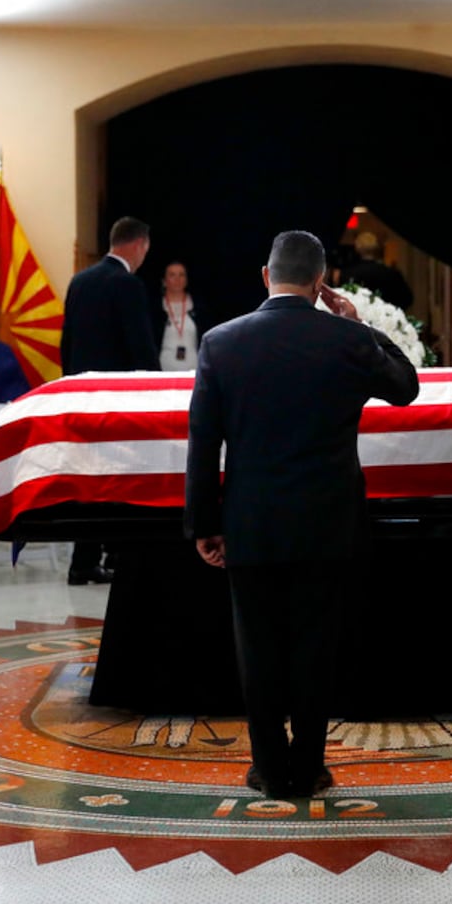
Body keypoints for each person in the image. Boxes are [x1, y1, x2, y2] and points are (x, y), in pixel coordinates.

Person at [184, 230, 420, 799]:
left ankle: (268, 768)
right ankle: (309, 768)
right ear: (321, 284)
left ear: (265, 276)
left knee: (257, 649)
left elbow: (202, 443)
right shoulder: (346, 340)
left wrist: (204, 524)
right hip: (328, 524)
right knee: (317, 649)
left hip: (251, 522)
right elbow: (406, 388)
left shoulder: (221, 342)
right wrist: (359, 323)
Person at [59, 216, 161, 585]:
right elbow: (141, 349)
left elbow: (67, 344)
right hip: (120, 403)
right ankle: (118, 555)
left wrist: (70, 390)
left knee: (87, 480)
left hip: (82, 399)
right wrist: (154, 392)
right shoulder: (127, 284)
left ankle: (82, 562)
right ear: (138, 245)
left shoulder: (79, 282)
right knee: (120, 480)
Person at [152, 260, 209, 371]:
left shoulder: (198, 307)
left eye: (181, 275)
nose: (177, 279)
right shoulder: (156, 309)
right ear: (164, 280)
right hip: (163, 367)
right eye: (172, 275)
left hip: (193, 366)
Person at [339, 231, 413, 311]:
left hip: (358, 320)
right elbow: (407, 299)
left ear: (357, 248)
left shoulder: (348, 273)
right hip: (385, 320)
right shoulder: (391, 273)